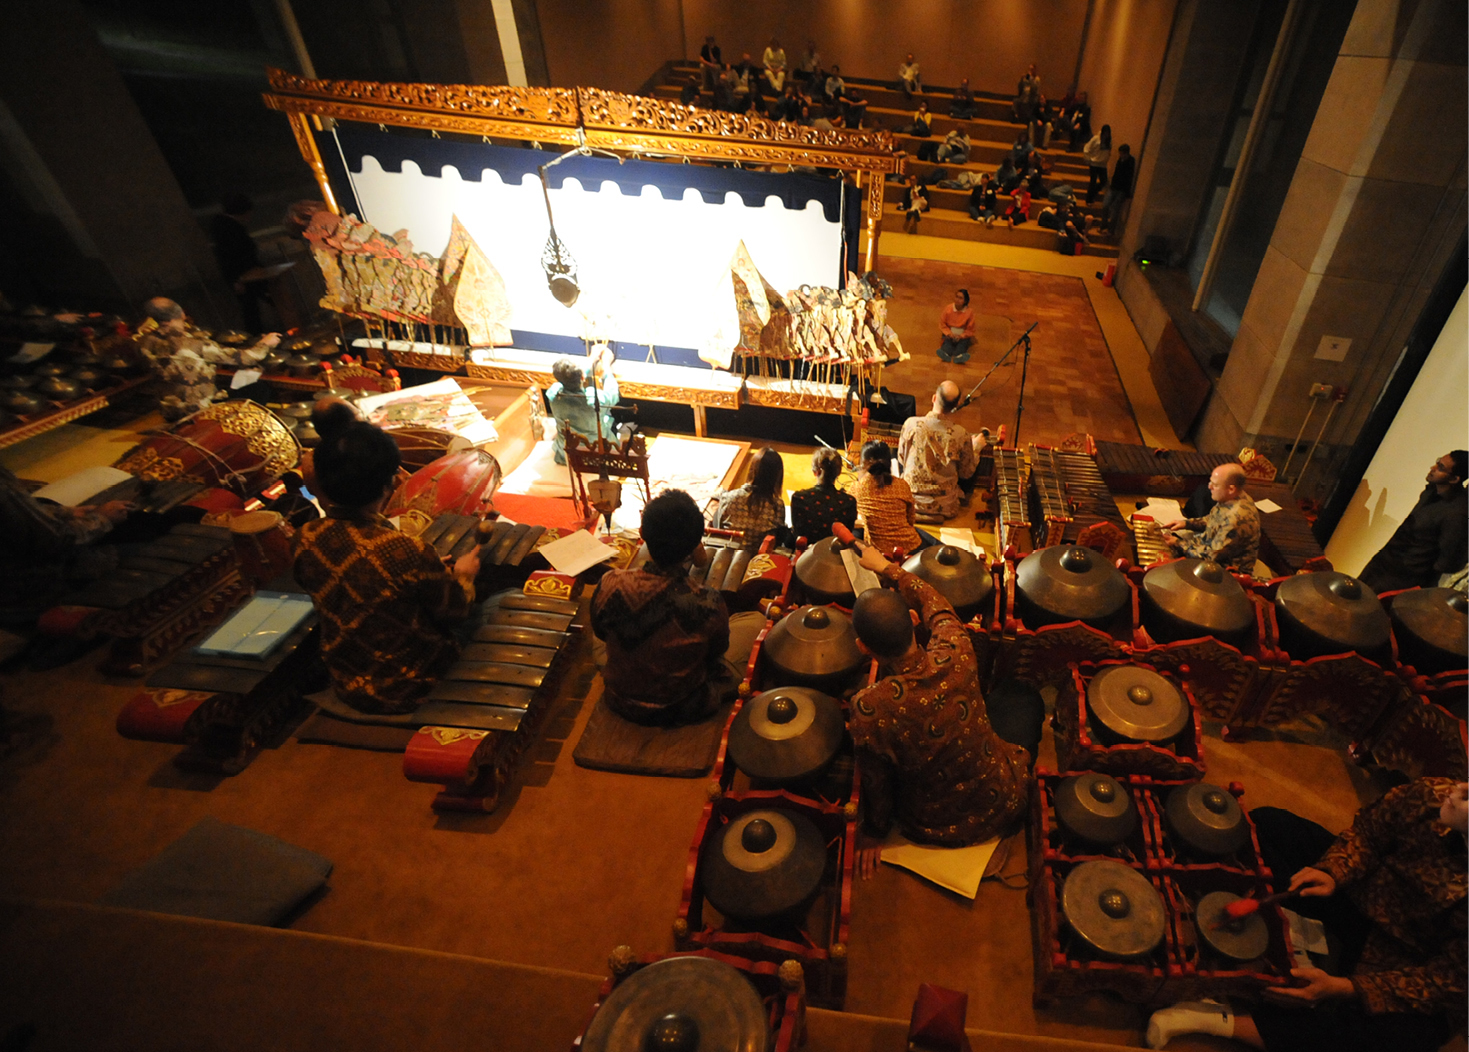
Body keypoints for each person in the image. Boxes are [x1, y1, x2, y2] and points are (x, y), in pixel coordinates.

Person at [1145, 778, 1467, 1051]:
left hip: (1405, 957)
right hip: (1357, 889)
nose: (1461, 790)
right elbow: (1369, 832)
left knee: (1405, 1038)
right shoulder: (1436, 794)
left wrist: (1342, 987)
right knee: (1269, 825)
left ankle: (1217, 1021)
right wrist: (1334, 871)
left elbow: (1445, 981)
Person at [846, 538, 1037, 848]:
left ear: (863, 648)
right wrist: (887, 568)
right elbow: (936, 603)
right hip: (1002, 799)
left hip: (935, 825)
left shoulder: (870, 706)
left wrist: (875, 833)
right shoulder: (956, 648)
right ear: (912, 620)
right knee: (1020, 696)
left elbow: (876, 782)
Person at [293, 403, 479, 715]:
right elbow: (454, 612)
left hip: (346, 683)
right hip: (415, 688)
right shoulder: (408, 550)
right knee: (497, 603)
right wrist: (463, 575)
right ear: (389, 485)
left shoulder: (305, 538)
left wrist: (426, 571)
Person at [590, 489, 764, 726]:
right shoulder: (708, 601)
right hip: (683, 706)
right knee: (754, 621)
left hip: (620, 698)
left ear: (642, 534)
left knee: (600, 639)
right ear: (695, 545)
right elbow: (716, 653)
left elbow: (600, 631)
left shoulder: (610, 583)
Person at [0, 464, 132, 626]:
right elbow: (57, 539)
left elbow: (16, 513)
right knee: (135, 552)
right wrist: (102, 518)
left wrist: (66, 512)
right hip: (23, 595)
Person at [134, 296, 279, 420]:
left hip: (169, 411)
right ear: (182, 313)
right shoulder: (196, 344)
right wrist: (265, 343)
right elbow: (247, 358)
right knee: (259, 387)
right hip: (201, 411)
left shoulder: (143, 343)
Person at [1358, 451, 1468, 593]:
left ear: (1454, 479)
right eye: (1437, 461)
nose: (1432, 468)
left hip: (1402, 578)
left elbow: (1449, 561)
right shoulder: (1431, 491)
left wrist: (1419, 570)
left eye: (1440, 468)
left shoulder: (1456, 513)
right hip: (1382, 562)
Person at [899, 381, 984, 521]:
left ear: (934, 398)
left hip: (909, 502)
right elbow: (966, 473)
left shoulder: (911, 424)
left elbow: (902, 459)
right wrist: (976, 449)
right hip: (945, 507)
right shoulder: (961, 434)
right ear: (955, 407)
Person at [1161, 463, 1260, 574]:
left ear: (1231, 489)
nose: (1209, 487)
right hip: (1209, 549)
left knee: (1167, 571)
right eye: (1210, 482)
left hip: (1225, 572)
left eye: (1215, 485)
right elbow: (1213, 519)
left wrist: (1178, 543)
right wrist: (1186, 523)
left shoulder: (1236, 519)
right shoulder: (1233, 497)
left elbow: (1212, 557)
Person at [849, 440, 934, 553]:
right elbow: (911, 520)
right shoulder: (902, 485)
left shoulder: (856, 488)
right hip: (910, 547)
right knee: (925, 537)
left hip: (879, 552)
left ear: (863, 463)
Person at [546, 344, 623, 466]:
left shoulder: (553, 394)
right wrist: (606, 365)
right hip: (597, 454)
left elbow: (570, 376)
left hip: (566, 454)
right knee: (610, 421)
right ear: (582, 377)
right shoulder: (595, 399)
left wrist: (592, 358)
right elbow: (612, 392)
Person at [209, 192, 267, 333]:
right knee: (251, 309)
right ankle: (258, 336)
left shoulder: (227, 227)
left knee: (253, 308)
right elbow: (228, 256)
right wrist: (236, 279)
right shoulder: (228, 230)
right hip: (243, 276)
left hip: (247, 274)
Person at [711, 446, 787, 548]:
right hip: (758, 555)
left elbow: (719, 527)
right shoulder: (777, 505)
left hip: (728, 550)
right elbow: (777, 536)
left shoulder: (729, 497)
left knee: (717, 512)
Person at [789, 447, 857, 544]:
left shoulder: (799, 498)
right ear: (839, 472)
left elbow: (798, 534)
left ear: (816, 471)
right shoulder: (849, 502)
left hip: (808, 556)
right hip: (837, 556)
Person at [1100, 143, 1135, 234]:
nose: (1120, 155)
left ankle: (1110, 230)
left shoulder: (1130, 162)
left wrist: (1127, 193)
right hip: (1114, 187)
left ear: (1125, 153)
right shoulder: (1120, 160)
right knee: (1105, 206)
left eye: (1121, 153)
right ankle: (1103, 226)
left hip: (1122, 190)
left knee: (1115, 210)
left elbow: (1129, 177)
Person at [934, 290, 975, 364]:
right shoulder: (948, 308)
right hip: (950, 333)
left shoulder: (969, 312)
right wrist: (949, 333)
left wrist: (962, 336)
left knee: (961, 346)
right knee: (947, 344)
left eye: (960, 298)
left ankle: (959, 356)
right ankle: (945, 354)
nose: (957, 300)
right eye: (957, 297)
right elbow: (942, 324)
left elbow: (970, 328)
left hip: (962, 335)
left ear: (965, 301)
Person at [1083, 124, 1111, 205]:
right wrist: (1088, 159)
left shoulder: (1109, 141)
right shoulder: (1096, 139)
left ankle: (1093, 194)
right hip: (1094, 164)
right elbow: (1087, 148)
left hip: (1103, 164)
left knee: (1104, 181)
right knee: (1093, 182)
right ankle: (1089, 199)